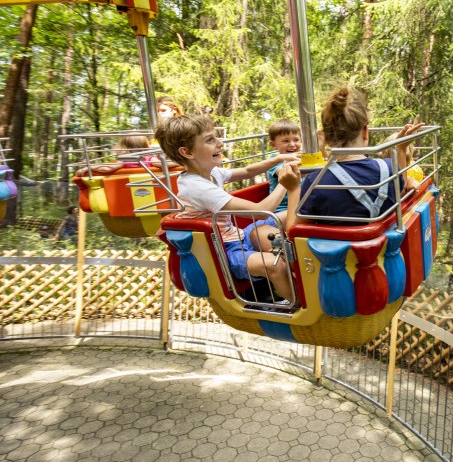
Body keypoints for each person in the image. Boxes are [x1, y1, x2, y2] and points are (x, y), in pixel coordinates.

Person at [154, 114, 301, 303]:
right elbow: (261, 209)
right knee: (275, 266)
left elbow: (248, 171)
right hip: (225, 251)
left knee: (284, 218)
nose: (220, 144)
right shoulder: (196, 186)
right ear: (188, 152)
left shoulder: (212, 172)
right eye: (210, 140)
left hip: (238, 235)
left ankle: (301, 276)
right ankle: (299, 307)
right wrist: (286, 185)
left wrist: (280, 158)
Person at [282, 86, 423, 229]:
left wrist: (293, 189)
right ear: (365, 132)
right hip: (383, 250)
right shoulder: (388, 168)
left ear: (327, 138)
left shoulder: (316, 181)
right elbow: (400, 193)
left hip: (337, 251)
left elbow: (293, 232)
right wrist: (401, 149)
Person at [266, 119, 302, 213]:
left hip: (301, 205)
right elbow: (285, 171)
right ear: (273, 144)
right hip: (282, 210)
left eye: (296, 140)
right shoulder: (273, 161)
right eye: (285, 141)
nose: (292, 144)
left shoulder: (302, 157)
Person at [75, 135, 152, 176]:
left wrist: (89, 167)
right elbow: (162, 164)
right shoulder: (149, 159)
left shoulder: (125, 161)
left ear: (124, 147)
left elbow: (108, 168)